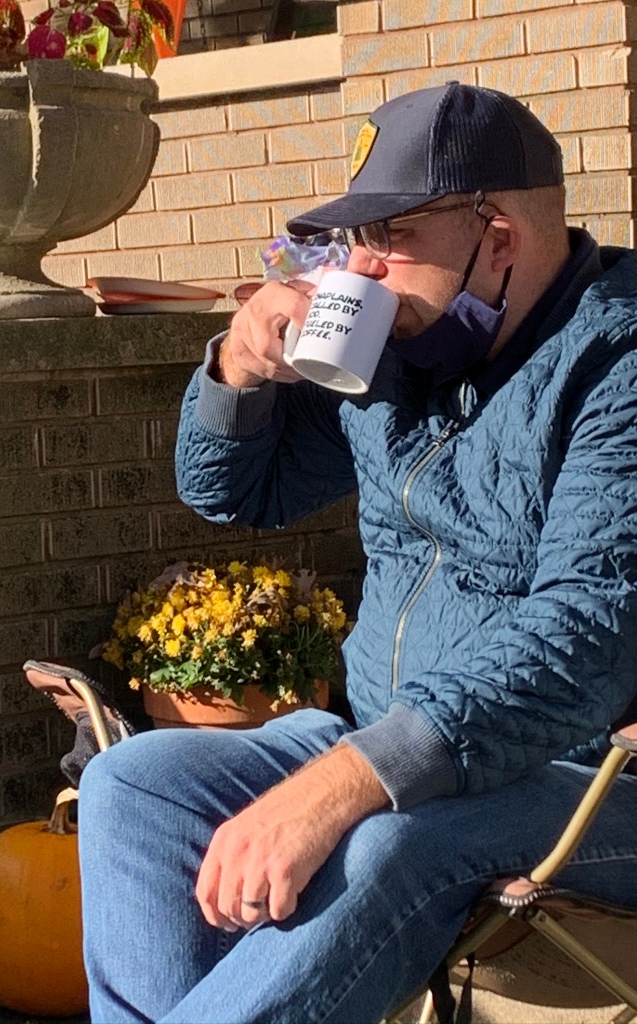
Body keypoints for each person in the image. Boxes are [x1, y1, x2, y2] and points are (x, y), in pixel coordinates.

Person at [78, 82, 637, 1023]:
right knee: (133, 787)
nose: (361, 268)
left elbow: (586, 634)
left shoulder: (615, 361)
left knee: (386, 845)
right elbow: (238, 491)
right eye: (354, 240)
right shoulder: (401, 353)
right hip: (388, 742)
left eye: (392, 237)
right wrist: (238, 371)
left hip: (586, 780)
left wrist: (350, 784)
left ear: (499, 236)